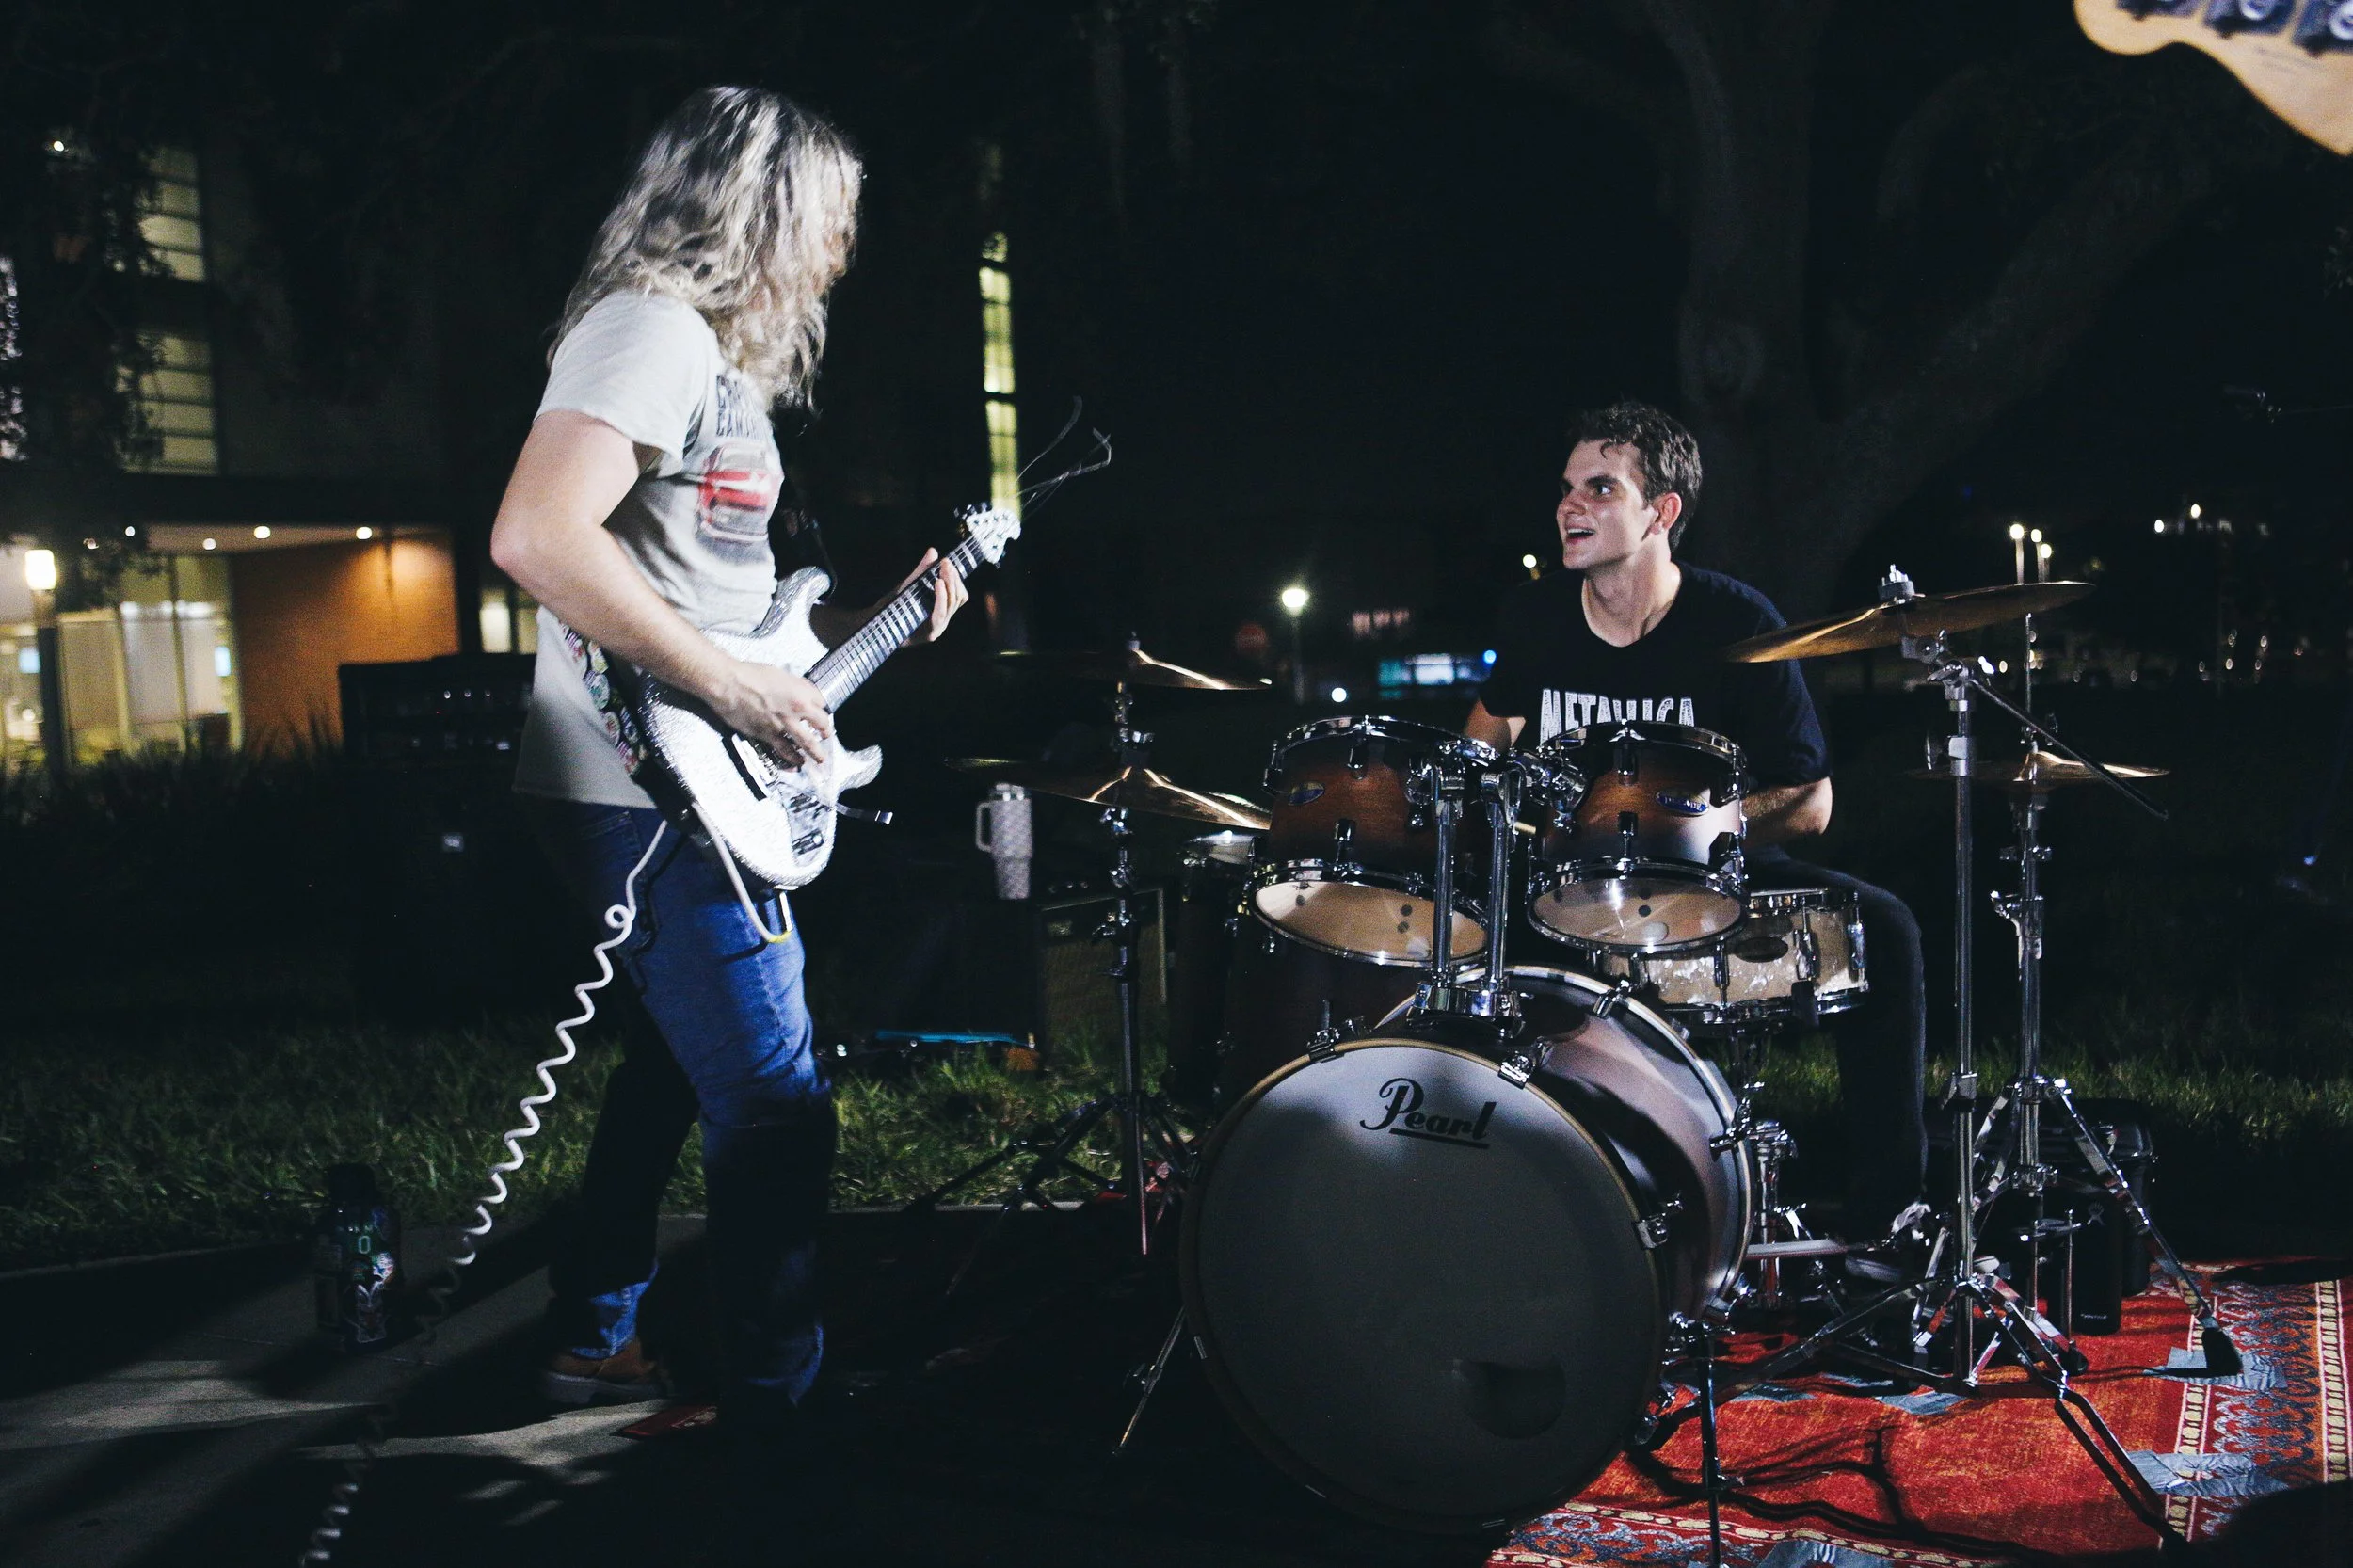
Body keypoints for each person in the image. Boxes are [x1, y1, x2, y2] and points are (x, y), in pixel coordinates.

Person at [488, 86, 967, 1433]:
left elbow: (714, 605)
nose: (839, 251)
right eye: (829, 221)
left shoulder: (707, 363)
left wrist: (862, 629)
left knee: (666, 1074)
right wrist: (729, 689)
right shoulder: (647, 333)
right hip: (645, 793)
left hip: (686, 781)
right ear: (762, 210)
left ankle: (594, 1335)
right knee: (774, 1107)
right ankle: (782, 1415)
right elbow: (536, 535)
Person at [1466, 400, 1926, 1258]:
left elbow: (1812, 801)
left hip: (1715, 886)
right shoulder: (1534, 621)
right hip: (1566, 895)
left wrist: (1693, 825)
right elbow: (1476, 755)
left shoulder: (1736, 622)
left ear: (1661, 511)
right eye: (1568, 488)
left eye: (1600, 489)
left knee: (1887, 932)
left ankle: (1887, 1231)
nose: (1571, 506)